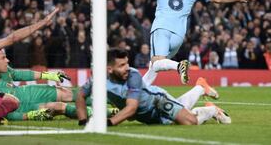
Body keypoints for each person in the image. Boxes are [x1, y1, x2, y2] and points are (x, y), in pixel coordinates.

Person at [107, 0, 253, 86]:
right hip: (179, 35)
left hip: (162, 28)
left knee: (157, 62)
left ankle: (179, 66)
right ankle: (135, 98)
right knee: (155, 66)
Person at [76, 48, 231, 126]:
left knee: (190, 121)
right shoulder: (97, 80)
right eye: (122, 65)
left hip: (158, 102)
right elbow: (80, 96)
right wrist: (83, 121)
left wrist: (109, 122)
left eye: (127, 63)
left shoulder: (133, 75)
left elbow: (131, 108)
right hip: (146, 116)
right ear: (109, 69)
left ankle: (212, 110)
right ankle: (200, 88)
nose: (127, 67)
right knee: (176, 119)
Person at [0, 49, 91, 121]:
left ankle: (103, 99)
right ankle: (103, 113)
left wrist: (50, 76)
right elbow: (4, 114)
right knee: (60, 107)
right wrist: (29, 116)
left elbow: (21, 74)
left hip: (28, 92)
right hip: (24, 108)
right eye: (3, 58)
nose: (7, 60)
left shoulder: (4, 70)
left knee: (66, 93)